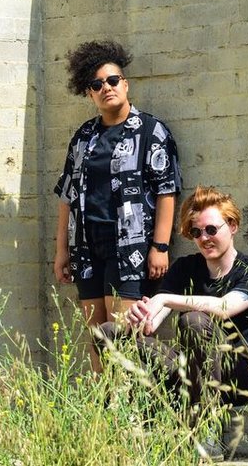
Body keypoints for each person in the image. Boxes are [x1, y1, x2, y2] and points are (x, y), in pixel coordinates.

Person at [53, 39, 181, 372]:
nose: (106, 88)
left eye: (112, 80)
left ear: (125, 84)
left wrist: (160, 247)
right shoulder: (84, 136)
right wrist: (62, 251)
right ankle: (103, 398)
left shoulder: (151, 131)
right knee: (97, 335)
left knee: (124, 335)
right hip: (86, 246)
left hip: (130, 248)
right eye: (97, 85)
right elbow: (67, 195)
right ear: (89, 94)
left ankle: (130, 399)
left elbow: (167, 191)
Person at [104, 186, 248, 407]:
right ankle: (137, 411)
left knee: (194, 320)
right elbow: (153, 321)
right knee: (108, 332)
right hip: (190, 372)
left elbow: (224, 307)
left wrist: (164, 299)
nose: (204, 238)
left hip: (235, 378)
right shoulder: (186, 267)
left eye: (211, 229)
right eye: (196, 232)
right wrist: (141, 319)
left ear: (232, 226)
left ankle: (206, 417)